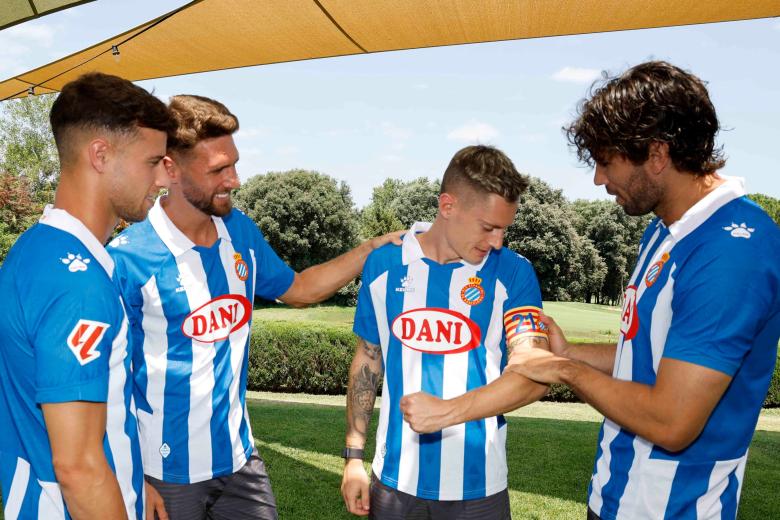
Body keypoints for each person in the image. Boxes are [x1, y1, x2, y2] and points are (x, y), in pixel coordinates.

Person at [402, 61, 780, 520]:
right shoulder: (663, 232)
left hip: (676, 509)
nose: (600, 179)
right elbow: (650, 359)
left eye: (606, 161)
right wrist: (573, 351)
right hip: (616, 497)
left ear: (657, 154)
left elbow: (672, 422)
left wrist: (563, 370)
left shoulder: (731, 250)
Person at [108, 94, 402, 520]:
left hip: (239, 460)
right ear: (169, 169)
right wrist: (134, 474)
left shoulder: (238, 232)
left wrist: (370, 247)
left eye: (234, 163)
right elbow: (106, 383)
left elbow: (299, 288)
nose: (235, 179)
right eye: (218, 170)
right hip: (163, 473)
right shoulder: (128, 259)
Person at [341, 145, 550, 519]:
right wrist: (353, 456)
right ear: (447, 206)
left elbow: (535, 376)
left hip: (480, 486)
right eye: (488, 227)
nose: (497, 241)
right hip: (394, 482)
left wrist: (447, 412)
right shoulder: (384, 264)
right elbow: (368, 359)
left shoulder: (514, 273)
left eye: (505, 228)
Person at [0, 73, 174, 519]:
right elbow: (77, 468)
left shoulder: (38, 249)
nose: (162, 179)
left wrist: (134, 479)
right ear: (100, 154)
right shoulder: (78, 285)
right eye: (152, 161)